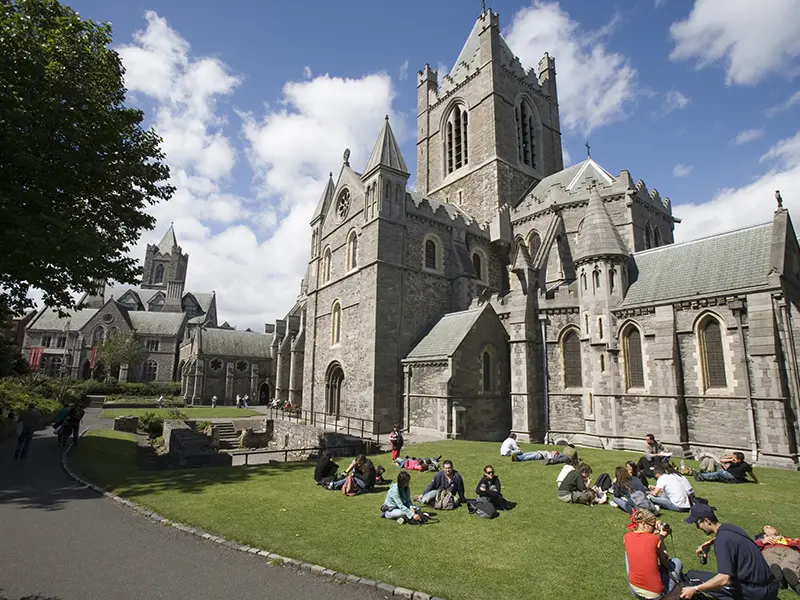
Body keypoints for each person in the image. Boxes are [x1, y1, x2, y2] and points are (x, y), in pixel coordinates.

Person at [682, 504, 779, 599]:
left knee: (692, 577)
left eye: (697, 524)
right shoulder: (730, 528)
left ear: (707, 521)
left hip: (755, 593)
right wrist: (710, 543)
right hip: (771, 586)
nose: (697, 527)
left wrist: (695, 588)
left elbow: (724, 579)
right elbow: (731, 539)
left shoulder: (722, 541)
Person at [624, 508, 684, 599]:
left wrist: (655, 534)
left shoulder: (626, 537)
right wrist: (661, 538)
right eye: (652, 525)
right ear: (644, 524)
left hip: (634, 589)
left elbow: (642, 543)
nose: (654, 528)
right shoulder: (655, 539)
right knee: (676, 562)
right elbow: (665, 562)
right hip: (655, 594)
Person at [754, 526, 800, 594]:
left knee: (790, 562)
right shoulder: (761, 539)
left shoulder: (787, 539)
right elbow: (749, 547)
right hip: (768, 550)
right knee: (773, 562)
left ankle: (792, 582)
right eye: (767, 527)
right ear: (764, 534)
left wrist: (789, 541)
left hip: (788, 550)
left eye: (772, 526)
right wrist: (763, 541)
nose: (771, 527)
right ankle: (780, 579)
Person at [694, 452, 759, 484]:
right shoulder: (733, 461)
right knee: (713, 461)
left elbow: (751, 474)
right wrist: (730, 459)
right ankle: (703, 473)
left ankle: (701, 475)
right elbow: (721, 460)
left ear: (739, 459)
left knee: (718, 473)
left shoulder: (745, 465)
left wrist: (756, 481)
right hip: (726, 471)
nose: (732, 458)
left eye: (734, 457)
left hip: (731, 475)